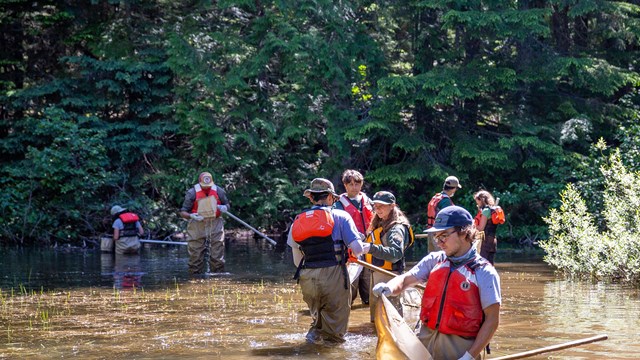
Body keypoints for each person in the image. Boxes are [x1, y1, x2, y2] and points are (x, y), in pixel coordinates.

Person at [373, 206, 501, 360]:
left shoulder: (484, 272)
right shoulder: (435, 260)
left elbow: (492, 320)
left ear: (464, 232)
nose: (439, 242)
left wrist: (470, 357)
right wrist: (389, 287)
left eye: (444, 236)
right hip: (424, 343)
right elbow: (405, 280)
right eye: (436, 237)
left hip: (460, 349)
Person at [287, 178, 371, 344]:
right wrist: (368, 246)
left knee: (317, 322)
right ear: (331, 198)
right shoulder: (341, 216)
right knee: (335, 332)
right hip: (334, 275)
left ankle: (310, 347)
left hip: (307, 277)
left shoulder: (298, 220)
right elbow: (358, 250)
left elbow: (297, 261)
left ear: (311, 197)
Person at [365, 190, 414, 323]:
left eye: (382, 205)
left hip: (389, 277)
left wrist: (370, 248)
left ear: (392, 206)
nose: (378, 209)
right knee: (377, 320)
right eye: (376, 205)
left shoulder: (397, 227)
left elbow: (396, 254)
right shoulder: (381, 222)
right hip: (377, 274)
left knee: (391, 320)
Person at [333, 169, 374, 306]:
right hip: (350, 248)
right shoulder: (339, 204)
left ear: (361, 185)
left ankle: (367, 307)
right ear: (345, 186)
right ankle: (345, 308)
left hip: (367, 246)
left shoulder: (368, 201)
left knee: (368, 285)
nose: (354, 187)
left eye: (357, 184)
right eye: (351, 184)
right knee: (352, 285)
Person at [179, 171, 230, 274]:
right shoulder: (192, 193)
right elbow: (183, 212)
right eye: (204, 186)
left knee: (217, 257)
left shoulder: (219, 191)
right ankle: (194, 280)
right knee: (195, 258)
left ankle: (218, 278)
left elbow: (227, 204)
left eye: (208, 186)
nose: (206, 188)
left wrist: (225, 208)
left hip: (215, 223)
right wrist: (191, 216)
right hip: (197, 224)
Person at [425, 176, 462, 252]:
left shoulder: (436, 197)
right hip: (439, 233)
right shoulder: (445, 201)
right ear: (453, 188)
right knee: (441, 256)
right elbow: (448, 219)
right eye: (456, 188)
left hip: (430, 231)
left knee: (432, 258)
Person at [473, 190, 502, 265]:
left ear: (482, 200)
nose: (477, 204)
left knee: (482, 265)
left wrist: (472, 224)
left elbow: (480, 228)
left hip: (485, 242)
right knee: (490, 264)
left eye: (478, 202)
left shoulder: (486, 211)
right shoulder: (493, 210)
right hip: (493, 241)